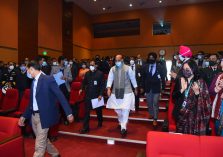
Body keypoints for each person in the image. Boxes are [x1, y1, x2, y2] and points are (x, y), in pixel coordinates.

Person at [18, 61, 74, 157]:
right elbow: (32, 102)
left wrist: (69, 113)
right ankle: (55, 153)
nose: (28, 73)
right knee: (43, 139)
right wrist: (24, 116)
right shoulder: (33, 82)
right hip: (33, 116)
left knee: (39, 146)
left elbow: (60, 96)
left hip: (44, 117)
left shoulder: (48, 79)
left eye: (28, 70)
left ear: (32, 69)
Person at [172, 59, 211, 135]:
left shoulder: (200, 82)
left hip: (194, 117)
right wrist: (182, 90)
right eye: (183, 69)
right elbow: (174, 98)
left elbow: (206, 103)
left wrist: (197, 93)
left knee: (191, 141)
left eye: (187, 69)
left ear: (193, 69)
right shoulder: (181, 80)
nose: (185, 71)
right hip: (180, 114)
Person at [106, 54, 138, 138]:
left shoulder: (128, 68)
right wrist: (108, 88)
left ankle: (123, 127)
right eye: (115, 60)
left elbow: (132, 78)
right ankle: (120, 120)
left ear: (122, 60)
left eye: (118, 60)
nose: (117, 62)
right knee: (117, 110)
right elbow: (110, 79)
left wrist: (135, 87)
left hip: (127, 92)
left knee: (125, 109)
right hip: (115, 92)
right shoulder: (112, 69)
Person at [79, 60, 105, 134]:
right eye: (90, 65)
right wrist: (81, 88)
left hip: (97, 96)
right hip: (88, 95)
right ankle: (85, 128)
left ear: (96, 65)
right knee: (86, 112)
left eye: (93, 65)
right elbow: (84, 83)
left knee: (98, 111)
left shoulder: (100, 74)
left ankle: (100, 121)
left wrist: (100, 94)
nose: (91, 66)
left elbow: (102, 85)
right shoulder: (87, 73)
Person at [141, 52, 166, 128]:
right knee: (149, 103)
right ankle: (151, 114)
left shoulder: (159, 67)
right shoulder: (145, 66)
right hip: (148, 87)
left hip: (156, 88)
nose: (151, 59)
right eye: (149, 57)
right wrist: (142, 87)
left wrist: (163, 88)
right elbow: (143, 78)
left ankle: (155, 118)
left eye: (152, 57)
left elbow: (162, 78)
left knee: (155, 103)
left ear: (155, 58)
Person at [51, 56, 73, 125]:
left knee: (65, 104)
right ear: (61, 61)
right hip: (57, 88)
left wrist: (66, 78)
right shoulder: (54, 68)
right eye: (64, 60)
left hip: (66, 88)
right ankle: (60, 117)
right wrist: (54, 77)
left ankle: (66, 118)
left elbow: (71, 79)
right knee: (58, 105)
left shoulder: (68, 68)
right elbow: (50, 77)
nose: (65, 62)